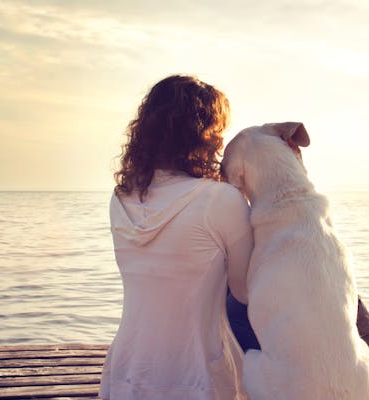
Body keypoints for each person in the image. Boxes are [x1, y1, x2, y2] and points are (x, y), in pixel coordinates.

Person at [101, 75, 252, 400]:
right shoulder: (221, 199)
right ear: (204, 135)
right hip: (196, 375)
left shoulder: (121, 197)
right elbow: (244, 292)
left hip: (129, 370)